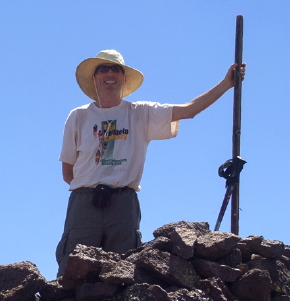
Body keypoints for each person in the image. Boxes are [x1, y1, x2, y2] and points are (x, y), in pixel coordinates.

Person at [55, 49, 246, 277]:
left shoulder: (140, 113)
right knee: (73, 272)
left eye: (116, 69)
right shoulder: (78, 116)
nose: (110, 73)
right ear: (94, 78)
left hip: (123, 203)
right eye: (103, 69)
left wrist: (226, 84)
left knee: (122, 273)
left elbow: (189, 110)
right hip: (84, 203)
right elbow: (68, 171)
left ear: (124, 78)